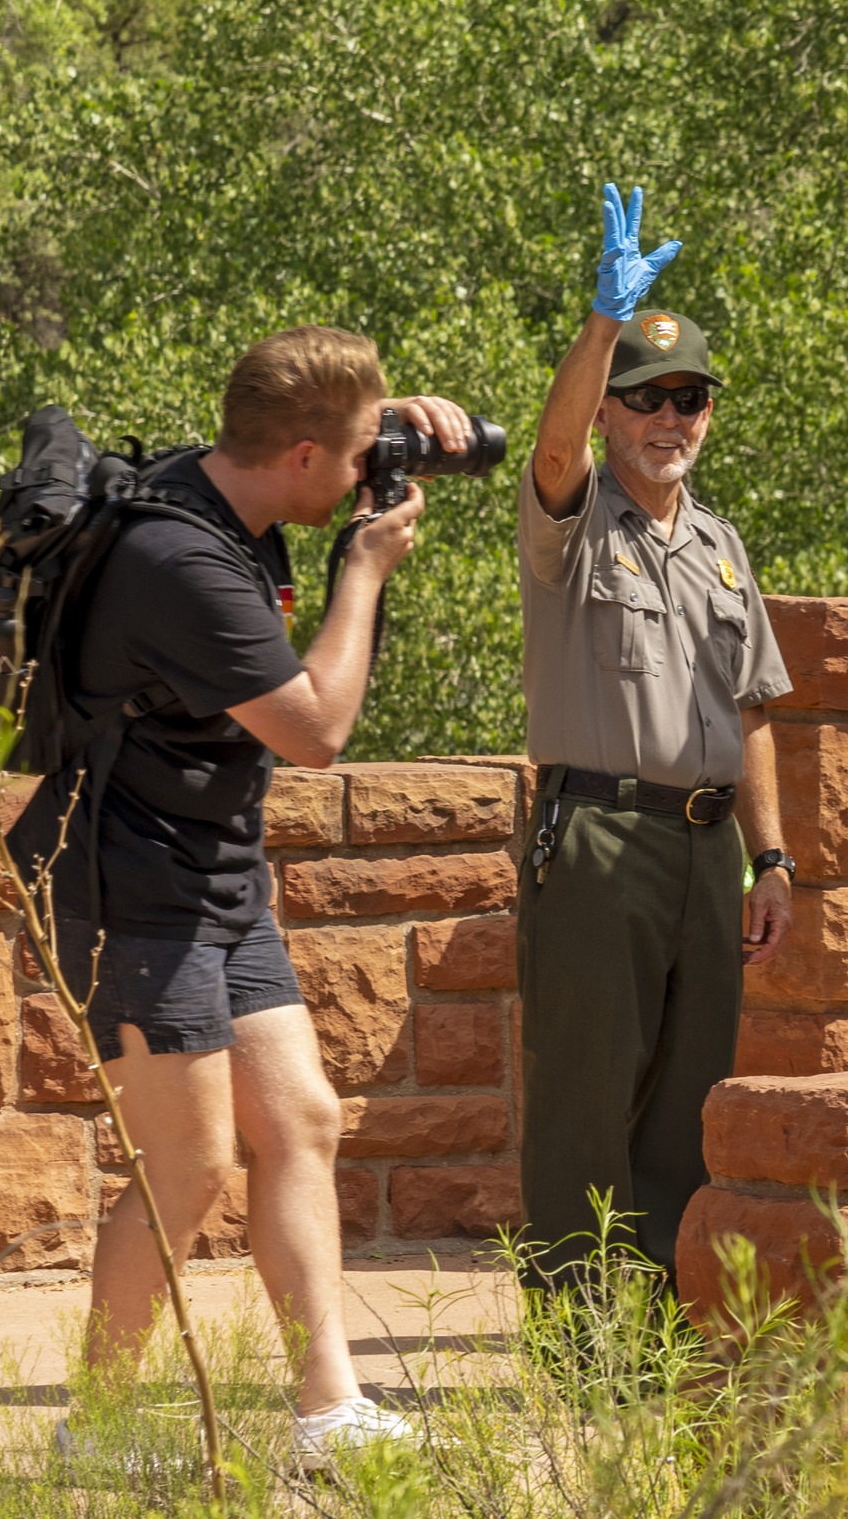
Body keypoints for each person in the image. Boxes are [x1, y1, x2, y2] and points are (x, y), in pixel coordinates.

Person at [57, 330, 452, 1441]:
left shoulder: (224, 481)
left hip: (215, 869)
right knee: (188, 1164)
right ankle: (96, 1419)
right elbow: (317, 728)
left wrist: (395, 417)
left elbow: (312, 433)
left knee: (302, 1119)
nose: (374, 471)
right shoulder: (181, 564)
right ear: (302, 455)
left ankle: (328, 1403)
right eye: (363, 450)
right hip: (132, 884)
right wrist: (363, 572)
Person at [508, 269, 793, 1285]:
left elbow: (753, 709)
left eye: (692, 396)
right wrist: (601, 322)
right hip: (598, 834)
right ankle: (581, 1340)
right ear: (611, 410)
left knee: (689, 1100)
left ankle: (665, 1329)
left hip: (710, 848)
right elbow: (552, 448)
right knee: (585, 1095)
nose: (672, 417)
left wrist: (773, 857)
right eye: (647, 395)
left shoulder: (722, 547)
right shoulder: (577, 521)